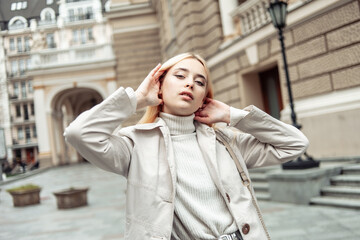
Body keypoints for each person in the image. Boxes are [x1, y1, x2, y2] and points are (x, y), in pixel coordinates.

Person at [64, 52, 309, 240]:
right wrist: (136, 99)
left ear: (205, 96)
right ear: (160, 84)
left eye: (199, 82)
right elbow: (79, 133)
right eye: (180, 76)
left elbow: (294, 144)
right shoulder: (135, 144)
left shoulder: (225, 141)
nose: (190, 84)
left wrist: (232, 116)